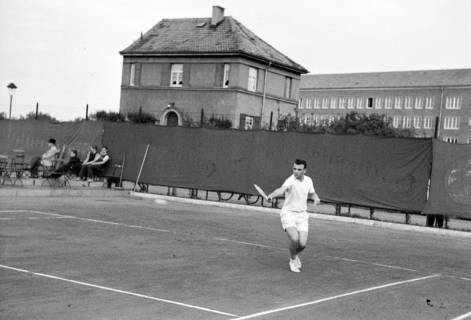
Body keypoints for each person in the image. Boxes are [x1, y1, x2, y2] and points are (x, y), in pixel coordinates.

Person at [267, 159, 320, 273]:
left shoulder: (309, 180)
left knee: (302, 244)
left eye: (299, 169)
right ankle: (292, 260)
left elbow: (312, 192)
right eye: (294, 169)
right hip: (288, 213)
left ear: (305, 170)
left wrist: (315, 197)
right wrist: (271, 195)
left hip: (302, 215)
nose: (296, 171)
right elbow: (281, 190)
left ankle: (295, 255)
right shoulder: (290, 180)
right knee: (295, 238)